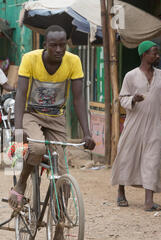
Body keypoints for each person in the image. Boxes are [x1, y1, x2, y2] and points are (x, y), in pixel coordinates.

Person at [8, 25, 95, 210]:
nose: (59, 50)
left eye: (62, 45)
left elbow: (79, 99)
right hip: (31, 114)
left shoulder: (73, 61)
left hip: (56, 118)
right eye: (54, 45)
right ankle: (22, 181)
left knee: (63, 177)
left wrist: (87, 133)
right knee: (37, 147)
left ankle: (59, 232)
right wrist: (18, 128)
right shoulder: (30, 59)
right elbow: (21, 94)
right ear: (45, 44)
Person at [111, 41, 161, 212]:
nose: (157, 56)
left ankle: (149, 201)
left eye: (158, 53)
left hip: (155, 124)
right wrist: (133, 99)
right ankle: (121, 191)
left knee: (152, 160)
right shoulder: (131, 76)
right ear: (144, 55)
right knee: (126, 155)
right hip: (134, 123)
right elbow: (122, 98)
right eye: (154, 53)